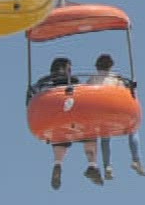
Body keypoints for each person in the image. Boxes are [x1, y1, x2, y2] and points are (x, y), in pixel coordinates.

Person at [31, 57, 102, 189]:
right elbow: (79, 96)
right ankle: (92, 165)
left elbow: (31, 98)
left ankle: (58, 163)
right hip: (69, 111)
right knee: (90, 135)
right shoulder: (72, 80)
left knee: (59, 136)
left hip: (50, 117)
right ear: (66, 68)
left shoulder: (42, 83)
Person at [84, 54, 145, 180]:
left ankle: (107, 166)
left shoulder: (92, 79)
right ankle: (136, 159)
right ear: (111, 66)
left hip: (100, 112)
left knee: (105, 138)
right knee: (133, 130)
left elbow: (86, 93)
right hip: (114, 108)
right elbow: (124, 93)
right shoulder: (116, 79)